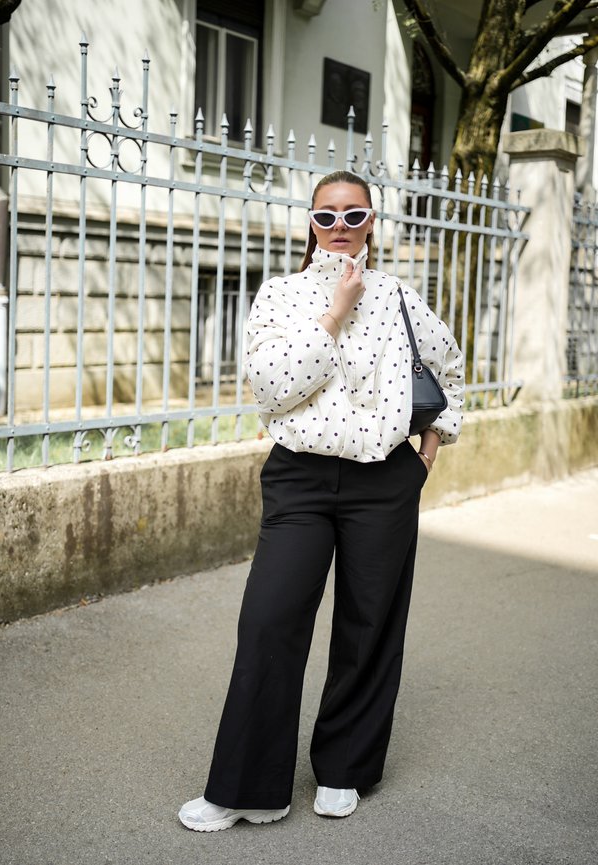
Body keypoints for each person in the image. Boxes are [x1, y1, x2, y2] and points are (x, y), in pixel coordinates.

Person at [178, 170, 464, 832]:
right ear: (310, 223)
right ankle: (249, 787)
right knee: (269, 619)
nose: (340, 228)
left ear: (372, 222)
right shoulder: (280, 296)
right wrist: (333, 313)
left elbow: (448, 369)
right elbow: (272, 388)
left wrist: (429, 448)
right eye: (327, 216)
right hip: (300, 477)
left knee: (369, 624)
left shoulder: (399, 297)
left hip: (384, 480)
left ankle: (346, 769)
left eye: (353, 215)